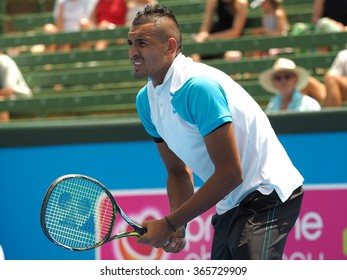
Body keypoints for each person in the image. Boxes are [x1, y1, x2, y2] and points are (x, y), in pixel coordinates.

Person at [128, 4, 304, 259]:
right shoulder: (146, 101)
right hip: (230, 204)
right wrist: (178, 224)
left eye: (142, 43)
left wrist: (168, 223)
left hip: (267, 194)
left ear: (170, 46)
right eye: (130, 42)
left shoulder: (199, 88)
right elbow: (178, 172)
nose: (133, 51)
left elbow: (231, 174)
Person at [0, 51, 32, 122]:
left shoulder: (6, 62)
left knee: (0, 102)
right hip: (7, 98)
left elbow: (8, 91)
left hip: (21, 97)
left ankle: (4, 132)